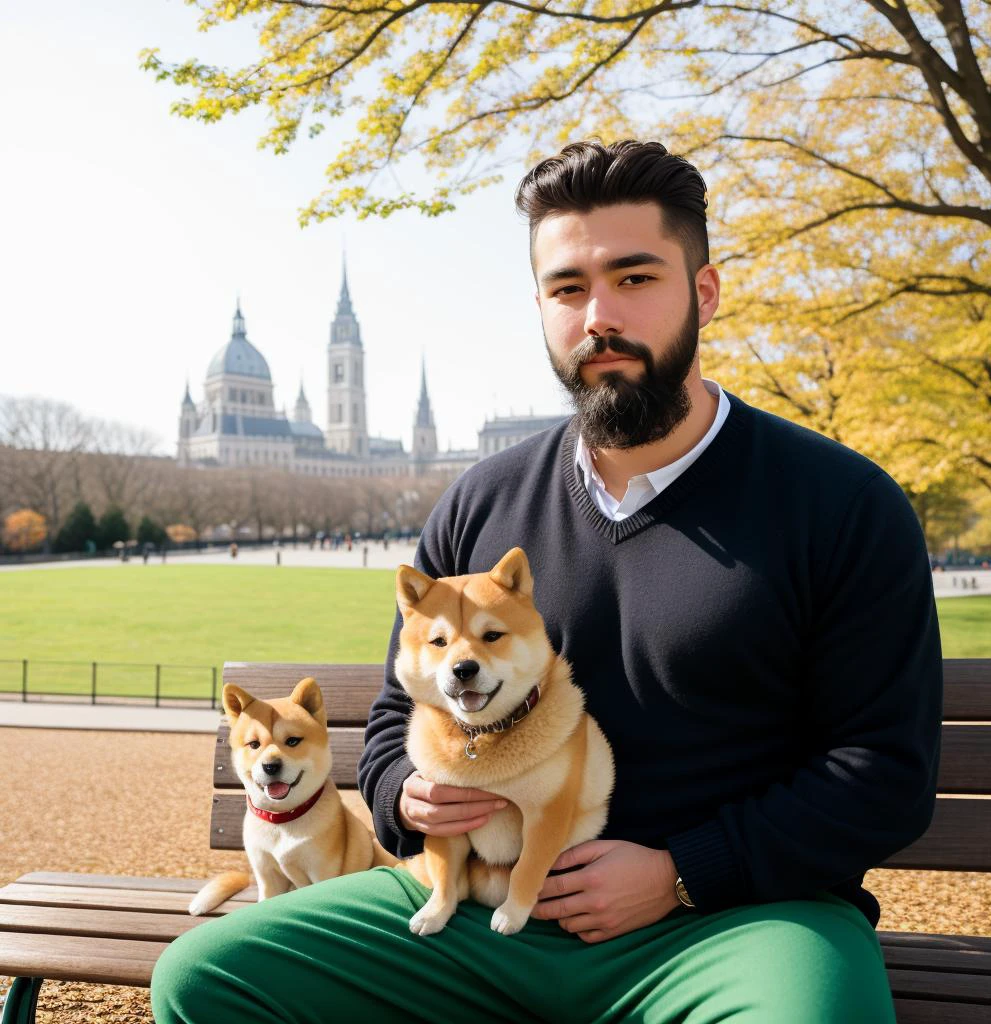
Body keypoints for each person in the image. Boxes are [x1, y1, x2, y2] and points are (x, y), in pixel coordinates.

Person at [151, 140, 942, 1023]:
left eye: (636, 278)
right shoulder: (480, 502)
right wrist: (402, 796)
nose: (599, 313)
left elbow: (885, 774)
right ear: (541, 307)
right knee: (205, 978)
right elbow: (388, 719)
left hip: (735, 920)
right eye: (569, 288)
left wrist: (683, 872)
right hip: (475, 907)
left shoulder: (842, 503)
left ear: (705, 293)